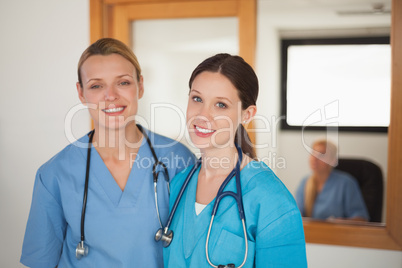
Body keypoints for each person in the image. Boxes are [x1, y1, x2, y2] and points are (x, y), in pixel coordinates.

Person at [20, 38, 195, 268]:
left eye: (123, 83)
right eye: (96, 86)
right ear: (81, 93)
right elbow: (41, 261)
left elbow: (196, 247)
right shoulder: (55, 173)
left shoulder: (179, 160)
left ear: (140, 86)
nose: (110, 95)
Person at [162, 54, 307, 267]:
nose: (203, 115)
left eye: (220, 105)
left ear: (247, 114)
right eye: (197, 99)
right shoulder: (177, 185)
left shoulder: (271, 200)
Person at [295, 139, 369, 221]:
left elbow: (361, 218)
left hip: (339, 232)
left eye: (321, 155)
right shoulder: (305, 182)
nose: (314, 158)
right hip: (312, 232)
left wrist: (344, 223)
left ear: (332, 160)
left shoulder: (346, 183)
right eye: (313, 153)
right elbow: (298, 214)